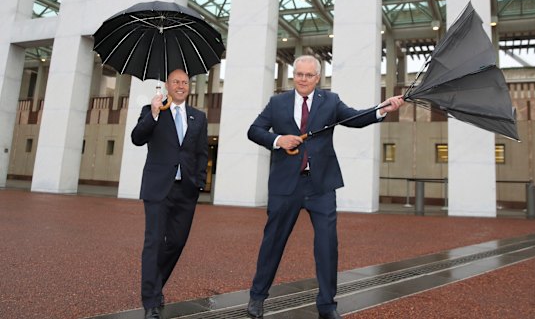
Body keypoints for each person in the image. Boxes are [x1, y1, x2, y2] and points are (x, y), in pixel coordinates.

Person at [246, 55, 404, 319]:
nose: (303, 80)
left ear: (318, 78)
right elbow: (254, 130)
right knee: (273, 242)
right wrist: (278, 140)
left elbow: (355, 118)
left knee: (327, 245)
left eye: (309, 75)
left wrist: (382, 109)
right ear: (293, 75)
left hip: (321, 186)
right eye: (299, 74)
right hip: (286, 186)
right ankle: (257, 297)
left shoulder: (330, 101)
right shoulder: (277, 102)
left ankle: (327, 305)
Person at [131, 69, 208, 319]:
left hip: (186, 191)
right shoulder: (152, 110)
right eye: (176, 81)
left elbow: (201, 153)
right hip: (157, 188)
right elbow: (136, 138)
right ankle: (151, 300)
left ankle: (155, 284)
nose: (181, 85)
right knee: (153, 243)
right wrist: (153, 113)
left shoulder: (199, 117)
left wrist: (198, 184)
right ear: (167, 85)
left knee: (176, 242)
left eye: (185, 82)